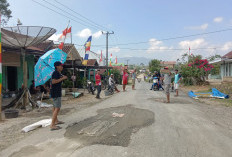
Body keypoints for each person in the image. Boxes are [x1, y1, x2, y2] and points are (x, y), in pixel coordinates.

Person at [50, 61, 67, 131]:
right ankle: (52, 125)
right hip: (56, 92)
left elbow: (57, 80)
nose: (62, 67)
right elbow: (53, 81)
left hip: (55, 92)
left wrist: (62, 77)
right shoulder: (55, 73)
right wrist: (62, 78)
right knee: (57, 108)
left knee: (55, 107)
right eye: (61, 66)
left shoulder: (58, 73)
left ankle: (56, 121)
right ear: (57, 66)